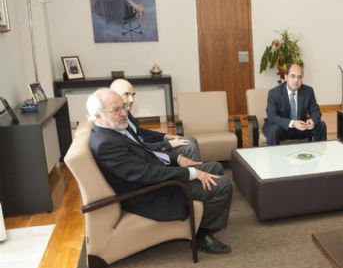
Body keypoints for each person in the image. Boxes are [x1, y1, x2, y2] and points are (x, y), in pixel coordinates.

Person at [86, 88, 232, 254]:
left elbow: (145, 151)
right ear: (98, 116)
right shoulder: (106, 143)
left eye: (123, 107)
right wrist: (191, 173)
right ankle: (201, 235)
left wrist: (176, 159)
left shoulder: (113, 130)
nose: (123, 113)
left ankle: (205, 216)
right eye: (116, 110)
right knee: (223, 185)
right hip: (150, 192)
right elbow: (145, 174)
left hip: (155, 178)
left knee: (215, 167)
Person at [110, 78, 201, 161]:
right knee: (189, 146)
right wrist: (169, 144)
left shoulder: (126, 112)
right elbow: (137, 146)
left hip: (147, 146)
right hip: (145, 153)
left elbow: (139, 132)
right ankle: (196, 172)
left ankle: (197, 169)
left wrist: (165, 136)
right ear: (113, 95)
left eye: (133, 95)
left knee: (191, 139)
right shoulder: (117, 120)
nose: (131, 100)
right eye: (126, 94)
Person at [262, 64, 327, 145]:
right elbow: (272, 116)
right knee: (273, 130)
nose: (296, 80)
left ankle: (319, 152)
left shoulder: (308, 91)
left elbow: (315, 110)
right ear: (286, 77)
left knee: (321, 125)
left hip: (301, 127)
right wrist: (292, 123)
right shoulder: (274, 93)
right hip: (282, 127)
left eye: (299, 77)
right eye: (293, 76)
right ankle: (274, 153)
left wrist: (312, 120)